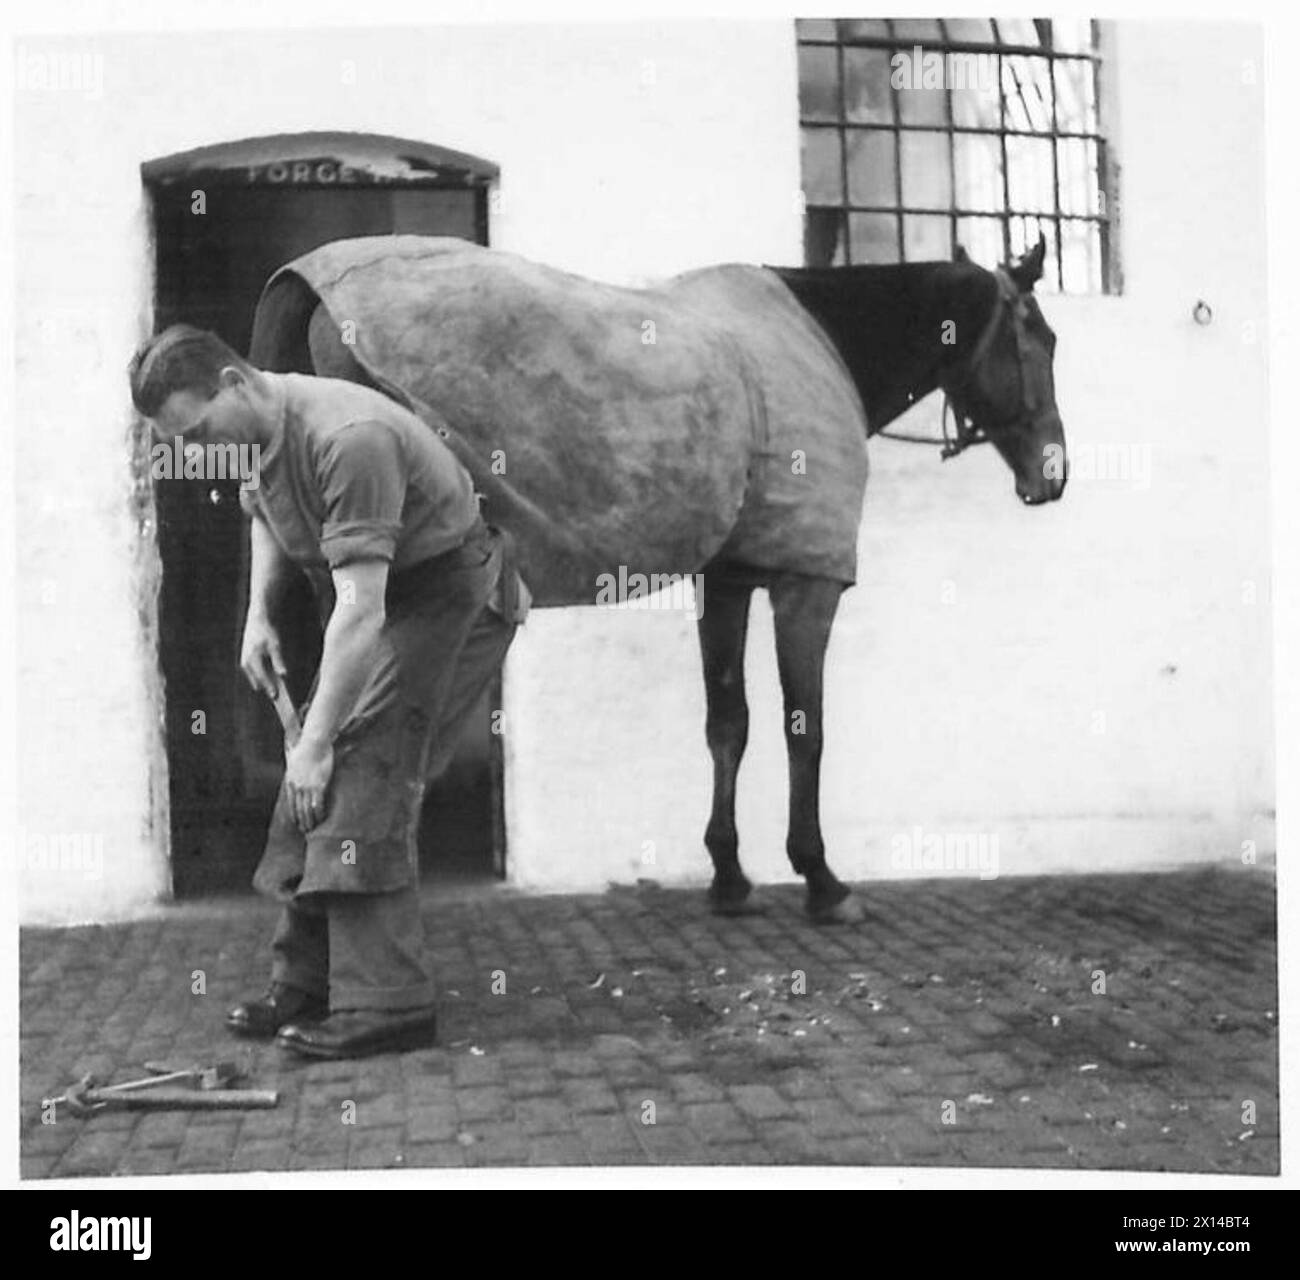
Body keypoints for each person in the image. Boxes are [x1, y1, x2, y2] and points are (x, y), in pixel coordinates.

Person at [129, 324, 529, 1059]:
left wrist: (314, 746)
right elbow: (266, 514)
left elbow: (361, 610)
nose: (191, 452)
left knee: (358, 767)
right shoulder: (252, 429)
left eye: (194, 432)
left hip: (448, 594)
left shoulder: (351, 437)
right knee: (311, 779)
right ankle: (306, 983)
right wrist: (257, 618)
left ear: (232, 384)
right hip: (381, 595)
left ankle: (390, 1004)